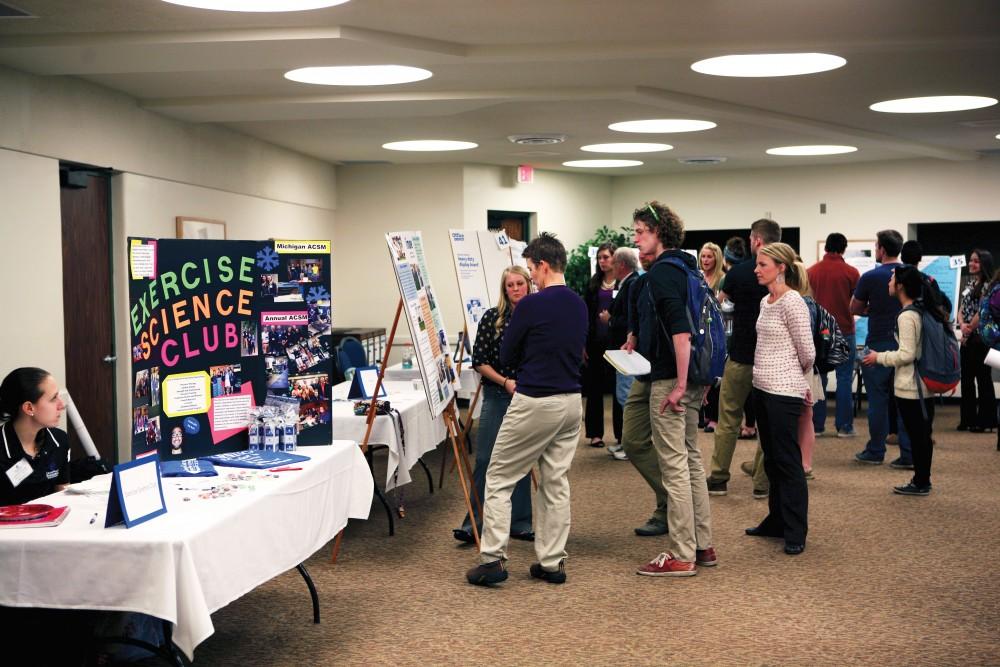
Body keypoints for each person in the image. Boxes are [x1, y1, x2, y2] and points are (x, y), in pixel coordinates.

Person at [466, 233, 586, 586]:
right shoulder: (578, 304)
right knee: (555, 481)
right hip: (570, 403)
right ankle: (551, 562)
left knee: (499, 478)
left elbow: (506, 356)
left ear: (544, 266)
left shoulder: (531, 306)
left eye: (532, 269)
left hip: (535, 400)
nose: (530, 277)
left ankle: (492, 560)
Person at [629, 201, 716, 577]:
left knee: (675, 464)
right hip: (694, 377)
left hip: (671, 380)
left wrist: (680, 385)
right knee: (691, 460)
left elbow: (681, 332)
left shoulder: (663, 273)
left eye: (641, 232)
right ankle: (703, 545)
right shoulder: (688, 268)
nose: (635, 239)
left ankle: (681, 554)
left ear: (658, 233)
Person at [453, 266, 534, 544]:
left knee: (521, 459)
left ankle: (521, 522)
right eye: (510, 285)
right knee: (486, 458)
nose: (515, 289)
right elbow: (480, 361)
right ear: (504, 289)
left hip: (527, 396)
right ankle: (472, 523)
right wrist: (504, 382)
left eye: (519, 283)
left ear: (528, 285)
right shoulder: (493, 318)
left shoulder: (537, 317)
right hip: (498, 394)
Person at [746, 242, 815, 556]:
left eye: (763, 265)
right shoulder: (766, 301)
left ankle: (795, 530)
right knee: (772, 460)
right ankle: (776, 521)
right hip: (761, 387)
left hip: (783, 391)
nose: (757, 269)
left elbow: (808, 352)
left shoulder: (793, 302)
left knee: (787, 461)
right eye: (757, 264)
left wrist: (794, 379)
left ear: (781, 267)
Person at [706, 219, 782, 498]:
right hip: (771, 359)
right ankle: (762, 483)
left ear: (757, 240)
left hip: (740, 355)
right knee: (767, 423)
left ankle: (718, 477)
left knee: (728, 419)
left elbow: (714, 307)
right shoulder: (787, 273)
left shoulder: (738, 273)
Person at [861, 264, 949, 495]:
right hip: (924, 385)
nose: (888, 284)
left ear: (900, 286)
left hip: (911, 387)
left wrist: (878, 357)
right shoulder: (924, 310)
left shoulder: (907, 315)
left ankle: (921, 482)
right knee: (922, 435)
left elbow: (907, 354)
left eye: (891, 281)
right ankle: (922, 479)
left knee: (918, 435)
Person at [852, 230, 913, 468]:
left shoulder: (870, 277)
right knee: (905, 401)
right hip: (905, 345)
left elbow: (854, 308)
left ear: (881, 250)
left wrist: (871, 309)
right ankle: (907, 454)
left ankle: (876, 450)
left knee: (877, 401)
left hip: (877, 344)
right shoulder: (912, 274)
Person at [620, 249, 669, 536]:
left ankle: (668, 507)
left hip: (670, 375)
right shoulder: (640, 284)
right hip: (645, 371)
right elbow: (636, 325)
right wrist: (632, 337)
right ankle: (674, 499)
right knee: (633, 440)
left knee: (669, 447)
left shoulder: (676, 277)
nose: (639, 245)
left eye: (643, 234)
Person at [808, 232, 860, 437]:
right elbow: (857, 303)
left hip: (820, 333)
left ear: (826, 248)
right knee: (845, 378)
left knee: (819, 379)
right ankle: (844, 427)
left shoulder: (811, 272)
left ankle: (817, 426)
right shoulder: (851, 272)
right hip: (845, 330)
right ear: (844, 249)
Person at [0, 367, 71, 506]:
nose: (61, 405)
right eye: (53, 398)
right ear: (29, 408)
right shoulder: (3, 448)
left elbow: (63, 493)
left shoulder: (59, 440)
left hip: (50, 523)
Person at [583, 241, 621, 448]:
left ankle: (621, 434)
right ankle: (595, 433)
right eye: (600, 258)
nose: (602, 261)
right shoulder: (593, 283)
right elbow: (585, 315)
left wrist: (612, 318)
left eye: (606, 257)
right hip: (595, 342)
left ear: (615, 258)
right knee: (594, 387)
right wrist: (582, 343)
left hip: (617, 343)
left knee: (619, 390)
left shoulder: (623, 283)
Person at [606, 247, 641, 462]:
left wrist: (609, 320)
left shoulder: (632, 283)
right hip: (624, 347)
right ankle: (625, 442)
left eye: (613, 262)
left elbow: (629, 318)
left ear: (621, 264)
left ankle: (631, 445)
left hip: (627, 348)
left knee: (627, 397)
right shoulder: (628, 282)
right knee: (623, 396)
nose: (610, 266)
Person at [957, 249, 997, 433]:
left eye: (976, 261)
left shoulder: (989, 286)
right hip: (967, 337)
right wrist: (961, 324)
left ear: (984, 264)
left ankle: (987, 421)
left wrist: (968, 329)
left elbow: (982, 312)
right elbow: (961, 308)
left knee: (983, 378)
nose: (971, 264)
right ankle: (968, 419)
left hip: (980, 339)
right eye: (971, 260)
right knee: (966, 379)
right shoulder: (970, 283)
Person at [699, 242, 724, 433]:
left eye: (709, 256)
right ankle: (704, 414)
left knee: (714, 373)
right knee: (701, 370)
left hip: (716, 331)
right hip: (699, 329)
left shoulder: (721, 279)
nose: (705, 260)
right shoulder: (697, 277)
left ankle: (714, 417)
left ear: (717, 258)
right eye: (703, 256)